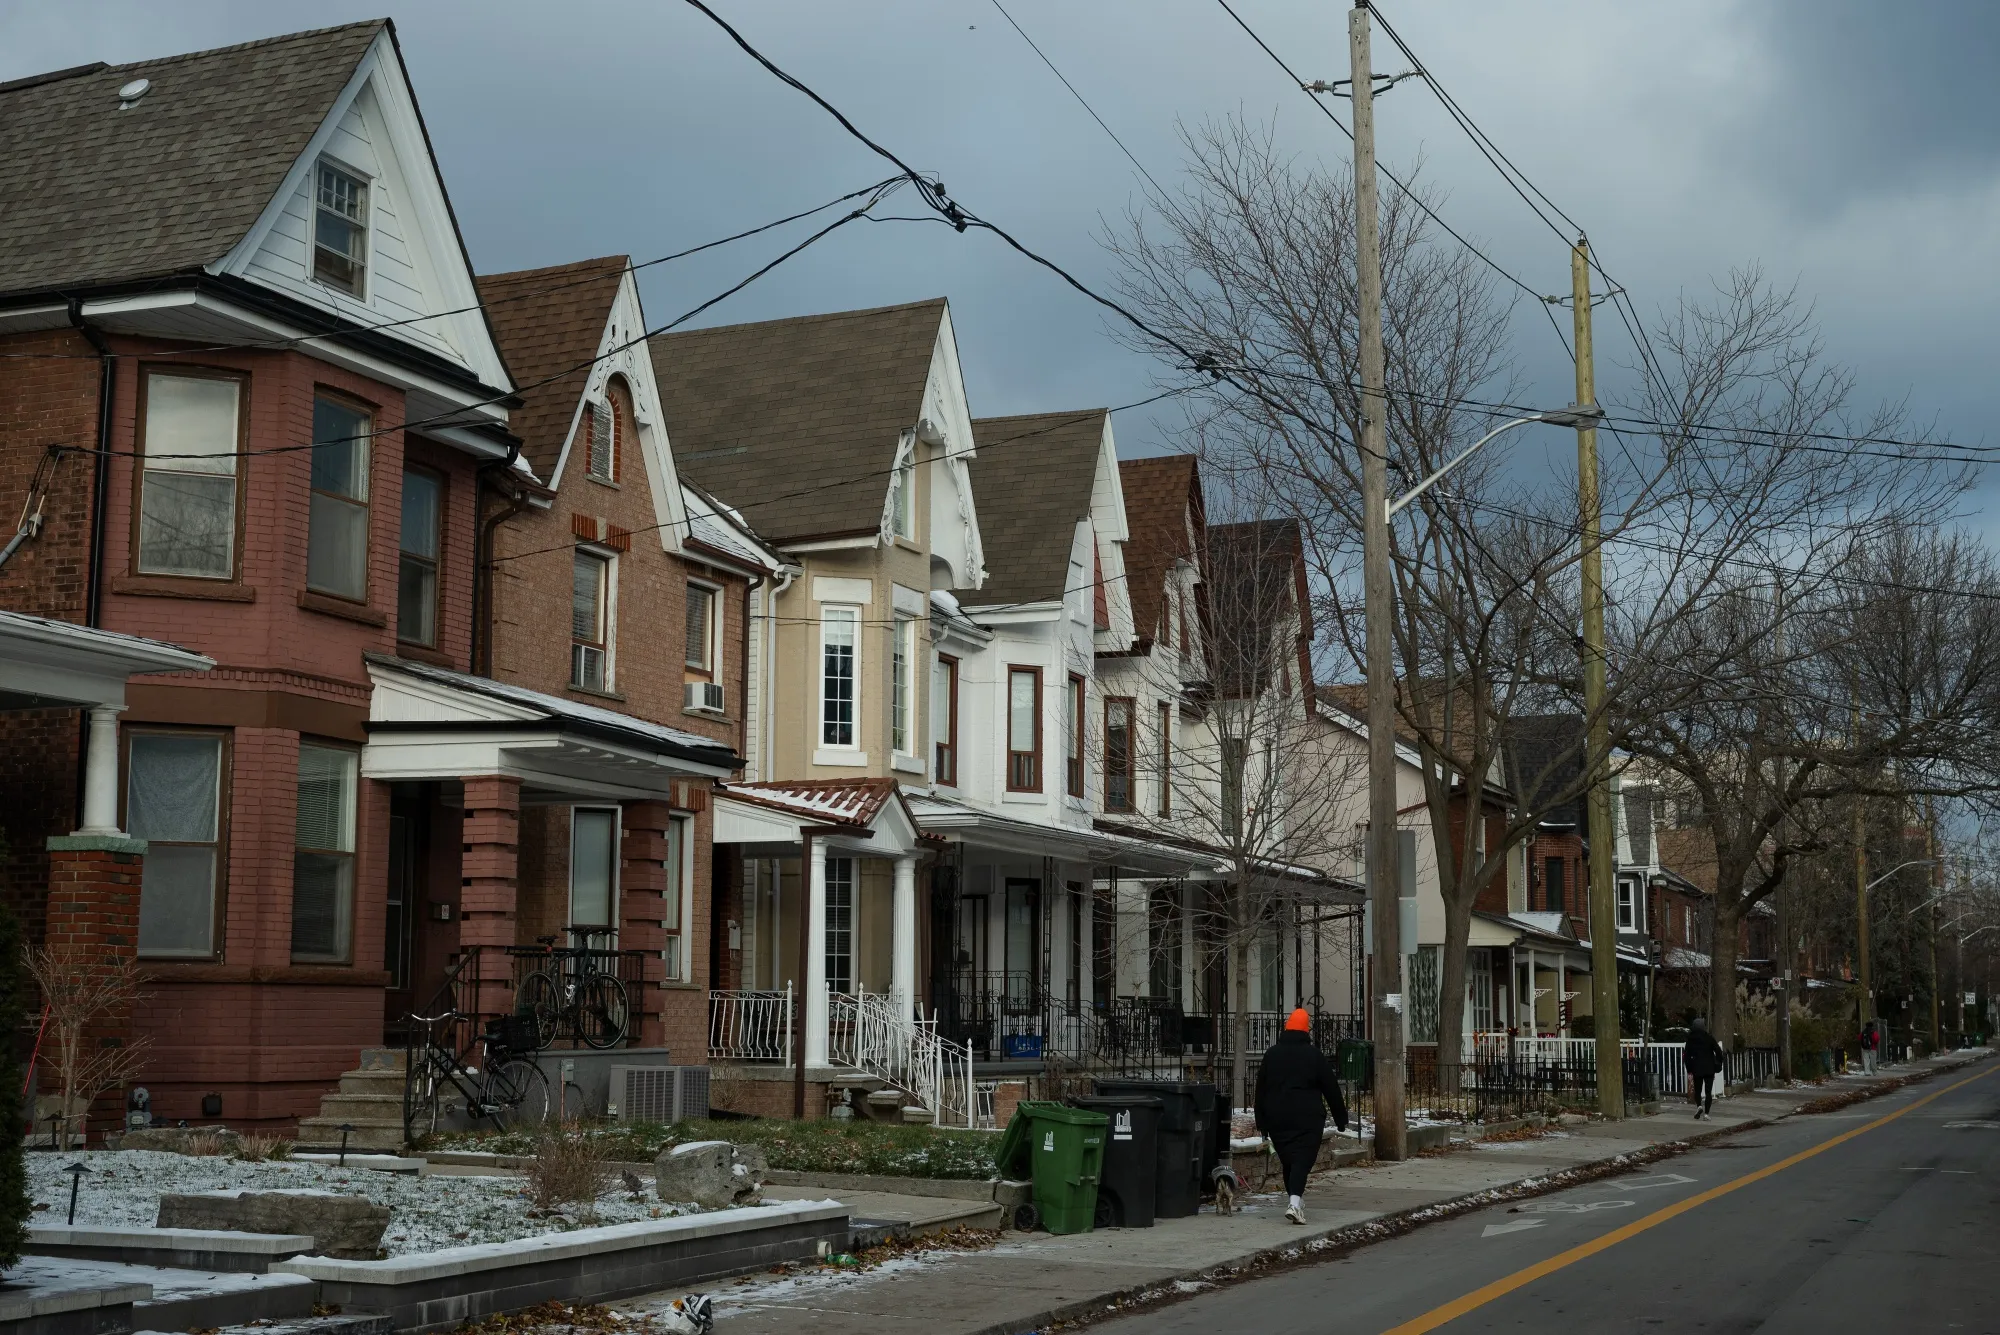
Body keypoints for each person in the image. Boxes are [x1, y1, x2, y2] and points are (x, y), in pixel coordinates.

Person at [1254, 1008, 1348, 1224]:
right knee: (1302, 1161)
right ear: (1306, 1030)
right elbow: (1331, 1088)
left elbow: (1261, 1090)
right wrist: (1341, 1119)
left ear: (1286, 1028)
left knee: (1289, 1161)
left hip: (1277, 1117)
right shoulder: (1314, 1055)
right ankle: (1295, 1204)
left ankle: (1294, 1200)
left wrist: (1262, 1121)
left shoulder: (1272, 1054)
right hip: (1307, 1117)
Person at [1683, 1016, 1723, 1119]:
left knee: (1698, 1090)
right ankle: (1707, 1114)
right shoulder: (1708, 1037)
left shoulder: (1690, 1039)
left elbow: (1686, 1055)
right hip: (1709, 1068)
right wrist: (1719, 1061)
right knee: (1708, 1091)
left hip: (1697, 1068)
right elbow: (1718, 1051)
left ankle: (1699, 1106)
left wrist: (1689, 1069)